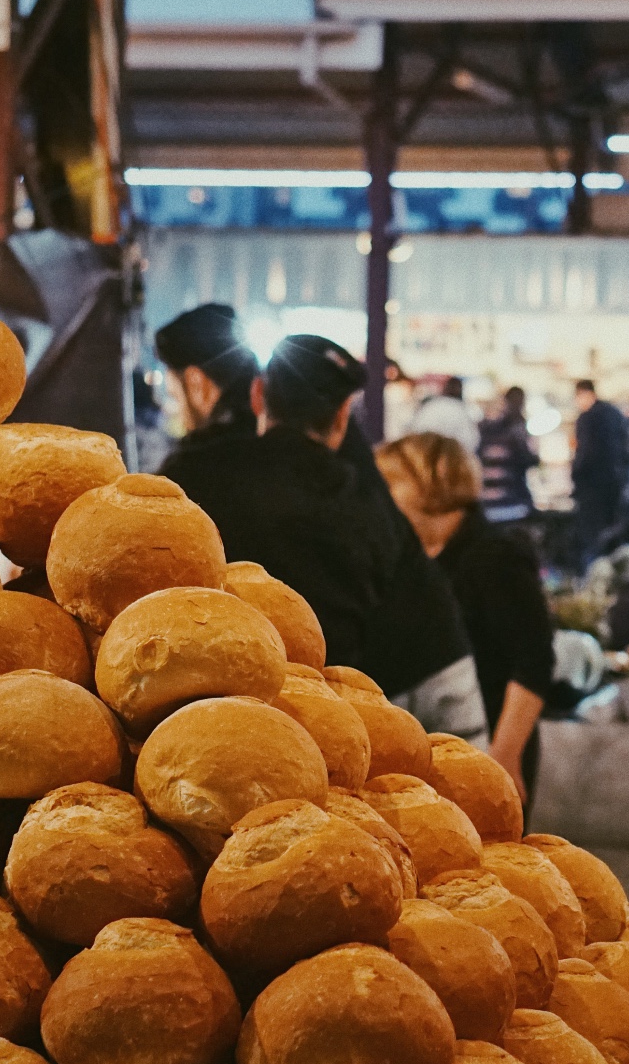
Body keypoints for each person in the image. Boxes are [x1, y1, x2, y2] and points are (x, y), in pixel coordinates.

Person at [172, 334, 487, 742]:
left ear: (258, 396)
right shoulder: (368, 503)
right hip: (354, 727)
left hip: (208, 720)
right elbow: (434, 650)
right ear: (342, 416)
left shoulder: (192, 476)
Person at [377, 433, 554, 803]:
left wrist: (504, 755)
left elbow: (534, 661)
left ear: (426, 487)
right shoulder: (408, 556)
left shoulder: (496, 556)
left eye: (389, 485)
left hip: (491, 742)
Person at [154, 304, 261, 493]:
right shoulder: (290, 452)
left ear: (196, 384)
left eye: (176, 397)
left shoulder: (190, 473)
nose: (177, 413)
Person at [571, 379, 629, 570]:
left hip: (592, 489)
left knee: (591, 539)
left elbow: (585, 454)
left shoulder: (588, 418)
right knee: (611, 535)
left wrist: (575, 477)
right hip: (615, 485)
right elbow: (627, 449)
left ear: (583, 393)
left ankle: (593, 577)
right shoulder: (614, 414)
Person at [478, 386, 541, 522]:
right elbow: (530, 460)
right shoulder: (517, 430)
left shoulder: (483, 431)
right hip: (513, 503)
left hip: (487, 506)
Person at [409, 375, 480, 454]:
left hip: (425, 454)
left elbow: (415, 430)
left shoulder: (431, 406)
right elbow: (471, 440)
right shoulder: (461, 410)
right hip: (451, 457)